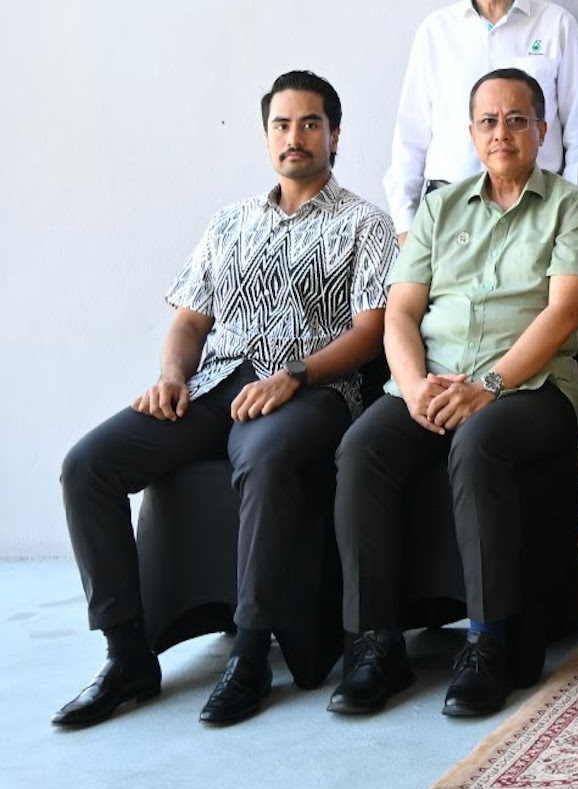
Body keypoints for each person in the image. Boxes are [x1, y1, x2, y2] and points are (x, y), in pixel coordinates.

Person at [54, 73, 396, 730]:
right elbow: (190, 319)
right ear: (266, 137)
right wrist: (172, 376)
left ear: (335, 135)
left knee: (263, 458)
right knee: (87, 465)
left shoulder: (366, 223)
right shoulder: (229, 221)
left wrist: (294, 375)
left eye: (310, 124)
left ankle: (250, 652)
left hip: (313, 391)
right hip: (213, 387)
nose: (294, 137)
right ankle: (126, 653)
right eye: (281, 125)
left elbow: (370, 330)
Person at [330, 69, 578, 720]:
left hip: (530, 389)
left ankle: (488, 642)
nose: (502, 132)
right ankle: (376, 643)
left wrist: (490, 385)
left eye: (517, 120)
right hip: (433, 381)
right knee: (361, 449)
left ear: (542, 129)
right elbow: (400, 314)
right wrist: (414, 387)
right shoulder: (438, 208)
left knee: (478, 444)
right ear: (472, 134)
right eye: (488, 121)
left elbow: (563, 313)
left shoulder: (570, 206)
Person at [383, 0, 578, 238]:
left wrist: (570, 218)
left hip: (537, 211)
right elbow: (410, 139)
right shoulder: (435, 31)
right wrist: (407, 229)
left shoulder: (556, 25)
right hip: (449, 211)